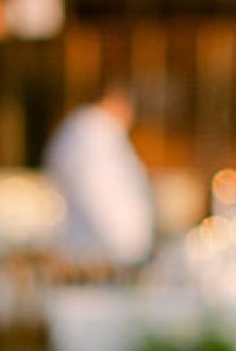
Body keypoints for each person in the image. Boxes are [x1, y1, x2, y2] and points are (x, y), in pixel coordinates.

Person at [43, 82, 155, 266]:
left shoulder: (87, 133)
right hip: (97, 258)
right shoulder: (93, 136)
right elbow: (99, 194)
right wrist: (128, 243)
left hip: (93, 252)